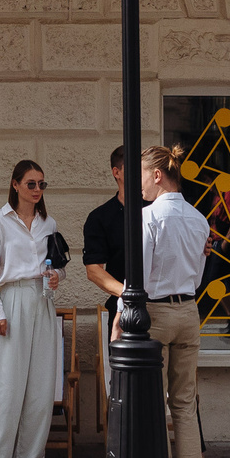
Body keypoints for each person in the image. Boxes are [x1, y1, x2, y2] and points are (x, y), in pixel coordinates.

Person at [0, 158, 63, 458]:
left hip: (42, 301)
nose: (38, 189)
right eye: (31, 184)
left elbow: (59, 263)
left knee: (40, 385)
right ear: (15, 184)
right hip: (11, 300)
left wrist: (56, 275)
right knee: (6, 382)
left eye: (42, 184)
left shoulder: (49, 223)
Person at [139, 145, 210, 458]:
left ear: (156, 175)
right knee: (184, 403)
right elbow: (197, 277)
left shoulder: (149, 217)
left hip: (156, 311)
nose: (139, 185)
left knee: (154, 403)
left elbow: (139, 277)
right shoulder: (199, 219)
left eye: (141, 175)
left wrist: (124, 315)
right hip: (188, 310)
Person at [81, 145, 129, 394]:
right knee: (121, 387)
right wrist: (130, 295)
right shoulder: (101, 217)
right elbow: (94, 270)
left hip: (162, 307)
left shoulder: (157, 211)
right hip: (124, 308)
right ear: (116, 172)